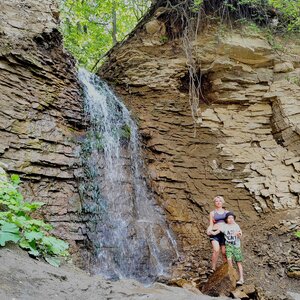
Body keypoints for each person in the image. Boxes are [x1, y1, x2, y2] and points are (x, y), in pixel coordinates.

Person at [211, 211, 244, 285]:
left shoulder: (236, 226)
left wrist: (238, 234)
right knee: (229, 260)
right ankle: (232, 276)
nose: (231, 219)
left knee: (238, 262)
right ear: (226, 219)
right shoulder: (224, 226)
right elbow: (217, 232)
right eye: (229, 218)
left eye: (232, 218)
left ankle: (241, 278)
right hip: (228, 245)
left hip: (236, 246)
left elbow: (240, 235)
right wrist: (211, 232)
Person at [206, 196, 228, 273]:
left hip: (224, 233)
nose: (218, 202)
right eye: (216, 201)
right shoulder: (212, 213)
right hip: (214, 233)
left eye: (220, 201)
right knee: (216, 250)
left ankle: (227, 268)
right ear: (214, 203)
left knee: (224, 252)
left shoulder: (227, 213)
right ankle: (213, 268)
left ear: (222, 202)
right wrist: (208, 230)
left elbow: (230, 223)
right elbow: (211, 224)